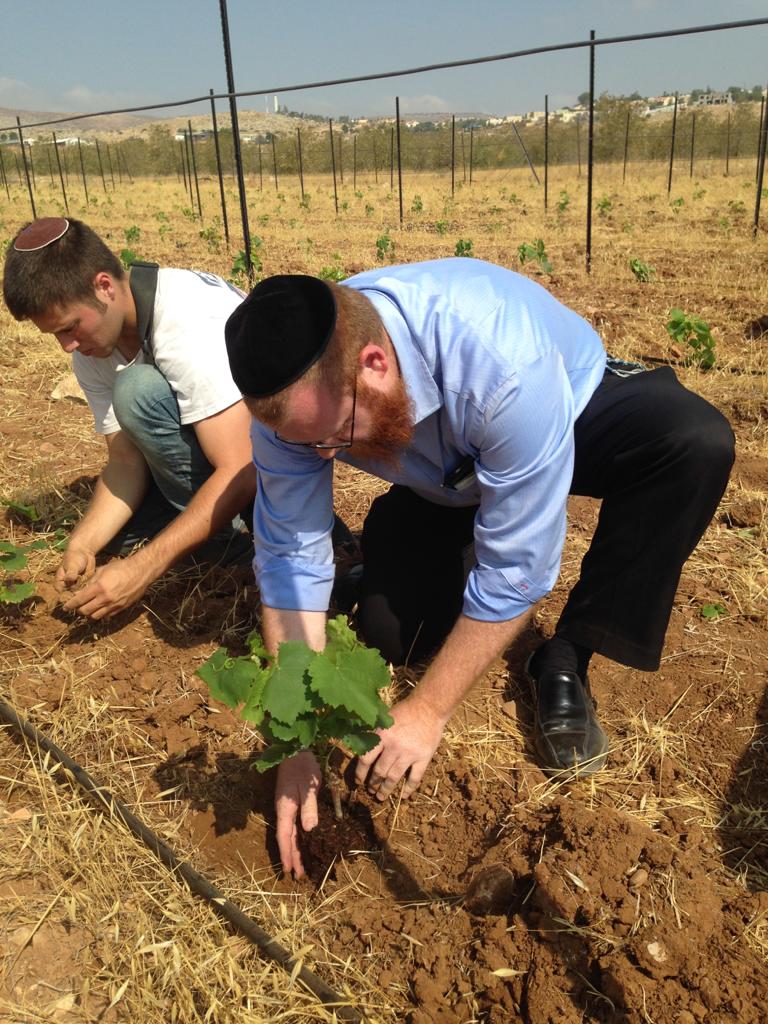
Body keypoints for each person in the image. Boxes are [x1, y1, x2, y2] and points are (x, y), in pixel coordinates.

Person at [224, 259, 735, 878]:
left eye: (336, 438)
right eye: (314, 447)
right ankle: (414, 535)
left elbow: (518, 567)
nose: (329, 457)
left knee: (691, 441)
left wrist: (428, 711)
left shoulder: (501, 363)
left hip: (569, 407)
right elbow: (287, 555)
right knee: (392, 631)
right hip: (444, 470)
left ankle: (567, 656)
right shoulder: (298, 415)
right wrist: (296, 741)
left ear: (375, 365)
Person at [2, 217, 256, 620]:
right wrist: (82, 544)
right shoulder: (96, 343)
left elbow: (243, 467)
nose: (67, 345)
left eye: (70, 327)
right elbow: (124, 461)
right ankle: (190, 523)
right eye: (55, 335)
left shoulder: (186, 324)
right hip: (209, 453)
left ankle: (235, 540)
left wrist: (145, 568)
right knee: (110, 537)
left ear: (104, 286)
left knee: (137, 391)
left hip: (265, 469)